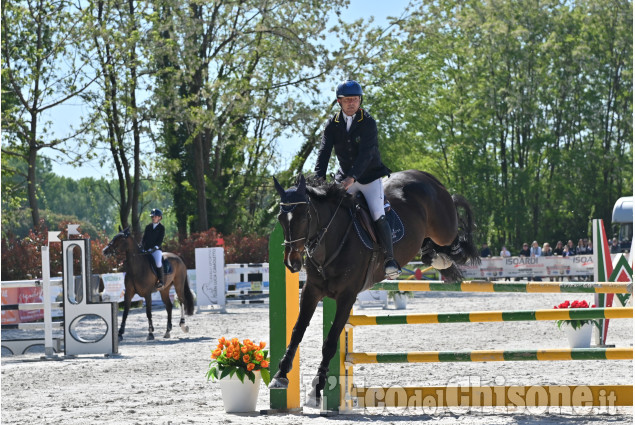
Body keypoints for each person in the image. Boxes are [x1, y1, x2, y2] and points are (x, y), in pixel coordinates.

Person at [314, 79, 399, 278]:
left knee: (378, 214)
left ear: (360, 101)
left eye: (355, 99)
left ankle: (389, 260)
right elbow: (324, 152)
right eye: (347, 100)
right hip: (344, 177)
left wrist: (352, 178)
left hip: (369, 178)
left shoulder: (368, 122)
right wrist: (318, 180)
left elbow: (366, 154)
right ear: (339, 102)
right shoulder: (332, 125)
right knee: (330, 212)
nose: (351, 103)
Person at [142, 208, 166, 289]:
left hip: (156, 249)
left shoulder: (161, 227)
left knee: (158, 262)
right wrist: (142, 246)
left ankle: (161, 281)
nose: (153, 218)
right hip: (147, 249)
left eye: (155, 216)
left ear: (159, 217)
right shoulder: (148, 227)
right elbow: (144, 238)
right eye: (152, 216)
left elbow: (160, 239)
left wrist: (155, 247)